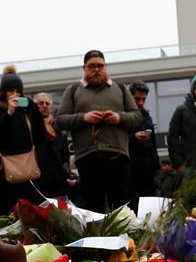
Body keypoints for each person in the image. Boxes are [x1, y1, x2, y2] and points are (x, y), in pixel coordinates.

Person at [55, 50, 141, 213]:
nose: (96, 69)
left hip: (118, 156)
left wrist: (118, 118)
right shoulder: (73, 90)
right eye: (92, 66)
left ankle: (126, 238)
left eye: (100, 66)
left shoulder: (120, 88)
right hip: (87, 157)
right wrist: (84, 118)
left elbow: (136, 116)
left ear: (105, 67)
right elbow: (60, 120)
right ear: (84, 68)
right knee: (92, 208)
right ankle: (95, 238)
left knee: (122, 207)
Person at [0, 66, 49, 217]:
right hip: (3, 170)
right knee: (7, 210)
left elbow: (40, 137)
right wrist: (8, 114)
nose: (15, 95)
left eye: (18, 92)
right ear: (3, 92)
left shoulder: (25, 111)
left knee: (29, 209)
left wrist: (35, 110)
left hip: (26, 167)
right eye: (11, 91)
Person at [127, 82, 159, 212]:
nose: (140, 102)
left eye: (143, 99)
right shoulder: (124, 117)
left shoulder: (147, 117)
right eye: (137, 99)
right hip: (131, 173)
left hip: (148, 172)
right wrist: (134, 138)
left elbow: (154, 144)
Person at [168, 72, 196, 173]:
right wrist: (179, 164)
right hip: (189, 168)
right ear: (192, 90)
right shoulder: (181, 110)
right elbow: (172, 138)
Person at [33, 92, 72, 198]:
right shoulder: (29, 129)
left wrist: (66, 172)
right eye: (40, 103)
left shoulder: (59, 131)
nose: (44, 106)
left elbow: (65, 156)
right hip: (38, 181)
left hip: (59, 182)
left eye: (47, 103)